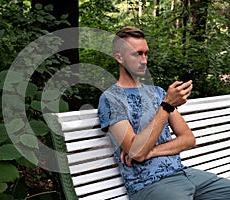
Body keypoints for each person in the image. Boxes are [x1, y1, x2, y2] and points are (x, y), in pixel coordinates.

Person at [97, 26, 230, 200]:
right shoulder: (111, 98)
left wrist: (151, 152)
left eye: (146, 53)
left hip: (184, 174)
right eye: (137, 54)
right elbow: (136, 152)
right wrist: (166, 105)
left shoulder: (158, 93)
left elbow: (188, 139)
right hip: (149, 185)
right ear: (119, 57)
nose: (144, 60)